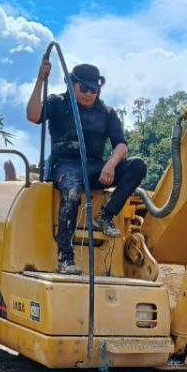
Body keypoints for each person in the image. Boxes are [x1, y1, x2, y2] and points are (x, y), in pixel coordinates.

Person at [27, 59, 147, 275]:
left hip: (95, 167)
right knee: (72, 192)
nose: (89, 94)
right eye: (84, 88)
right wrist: (40, 80)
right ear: (72, 84)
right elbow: (33, 115)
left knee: (137, 166)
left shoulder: (106, 112)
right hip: (65, 166)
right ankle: (65, 258)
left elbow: (121, 145)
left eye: (94, 89)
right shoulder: (57, 103)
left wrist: (111, 164)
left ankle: (106, 215)